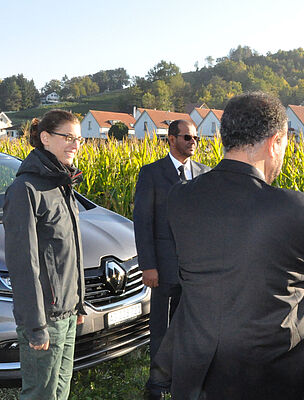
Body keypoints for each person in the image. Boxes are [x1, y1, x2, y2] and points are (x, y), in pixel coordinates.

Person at [152, 91, 304, 400]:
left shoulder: (180, 198)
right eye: (284, 144)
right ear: (273, 142)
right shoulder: (299, 210)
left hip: (199, 373)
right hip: (276, 376)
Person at [3, 110, 86, 399]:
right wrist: (36, 326)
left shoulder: (61, 184)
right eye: (68, 137)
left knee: (60, 392)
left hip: (67, 312)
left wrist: (78, 303)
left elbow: (70, 251)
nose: (75, 144)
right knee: (41, 394)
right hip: (44, 318)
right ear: (46, 138)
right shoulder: (25, 189)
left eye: (78, 138)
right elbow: (23, 264)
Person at [133, 119, 210, 399]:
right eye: (188, 137)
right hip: (163, 270)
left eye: (197, 138)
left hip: (196, 272)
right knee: (161, 330)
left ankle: (183, 380)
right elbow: (143, 222)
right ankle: (157, 384)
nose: (193, 143)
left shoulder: (204, 173)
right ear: (171, 139)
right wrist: (148, 266)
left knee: (190, 328)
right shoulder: (152, 173)